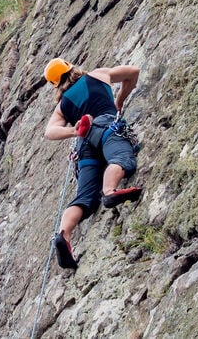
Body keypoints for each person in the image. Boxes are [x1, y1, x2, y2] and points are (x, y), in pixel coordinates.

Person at [43, 57, 142, 270]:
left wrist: (73, 130)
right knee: (121, 158)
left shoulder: (62, 105)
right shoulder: (98, 75)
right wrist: (119, 101)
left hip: (85, 144)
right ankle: (109, 190)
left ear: (55, 84)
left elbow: (49, 132)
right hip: (107, 127)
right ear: (71, 68)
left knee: (85, 197)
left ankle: (64, 235)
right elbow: (133, 72)